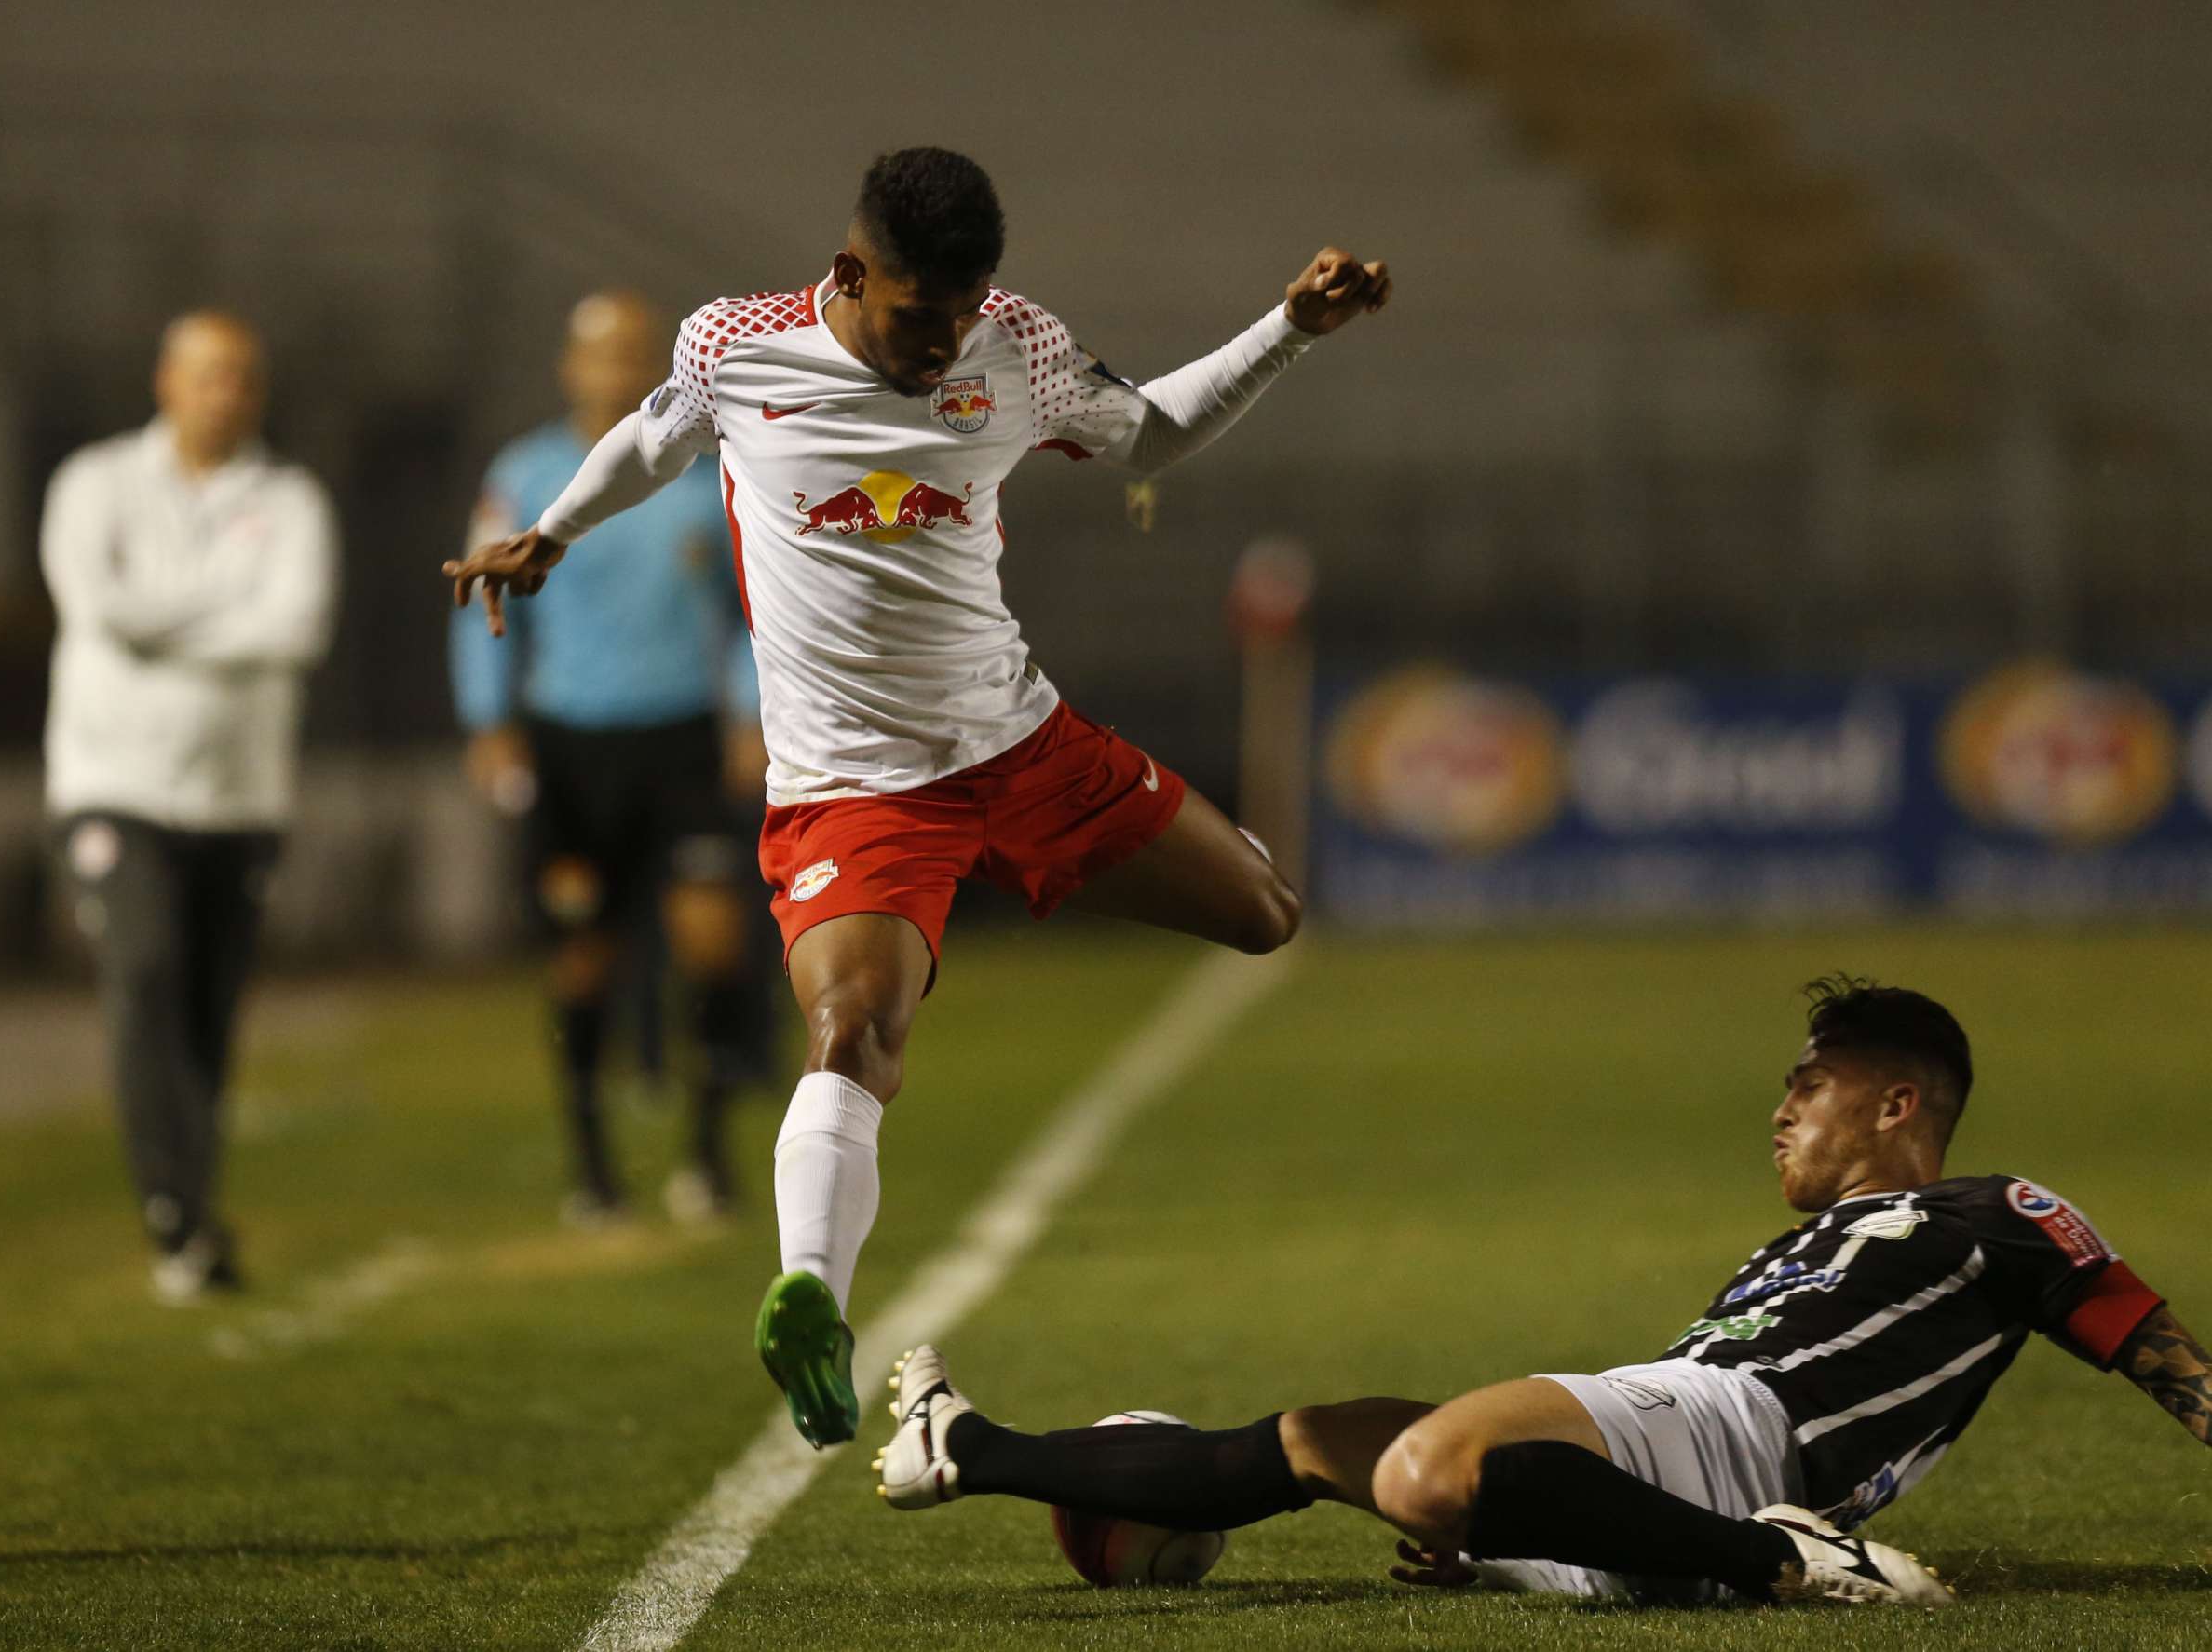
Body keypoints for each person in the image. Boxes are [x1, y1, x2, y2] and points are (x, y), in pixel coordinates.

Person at [445, 146, 1388, 1446]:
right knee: (852, 1032)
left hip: (1021, 746)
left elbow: (1151, 436)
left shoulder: (1014, 343)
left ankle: (1055, 874)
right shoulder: (738, 347)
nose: (942, 346)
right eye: (916, 317)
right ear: (848, 274)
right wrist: (551, 529)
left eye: (961, 314)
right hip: (855, 793)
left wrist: (1290, 328)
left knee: (1269, 914)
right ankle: (815, 1309)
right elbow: (654, 438)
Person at [875, 978, 2210, 1606]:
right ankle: (971, 1447)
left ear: (1899, 1098)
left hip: (1745, 1436)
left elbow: (2156, 1348)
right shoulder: (1801, 1245)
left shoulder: (1994, 1214)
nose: (1780, 1109)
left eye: (1809, 1084)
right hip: (1673, 1473)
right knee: (1321, 1435)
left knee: (1423, 1458)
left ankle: (1792, 1556)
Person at [453, 290, 771, 1226]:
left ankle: (707, 1154)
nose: (620, 371)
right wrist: (488, 717)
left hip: (679, 738)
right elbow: (485, 596)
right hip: (569, 746)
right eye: (602, 354)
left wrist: (750, 712)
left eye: (638, 354)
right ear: (570, 366)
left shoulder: (704, 476)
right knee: (582, 957)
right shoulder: (528, 471)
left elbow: (745, 610)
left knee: (713, 940)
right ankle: (592, 1168)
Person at [41, 310, 339, 1302]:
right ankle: (175, 1214)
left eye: (244, 376)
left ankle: (193, 1214)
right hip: (111, 784)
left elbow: (295, 628)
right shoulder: (94, 484)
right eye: (209, 374)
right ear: (165, 379)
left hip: (240, 797)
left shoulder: (290, 498)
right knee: (145, 974)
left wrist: (162, 620)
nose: (228, 393)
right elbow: (99, 614)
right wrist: (229, 610)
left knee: (207, 1018)